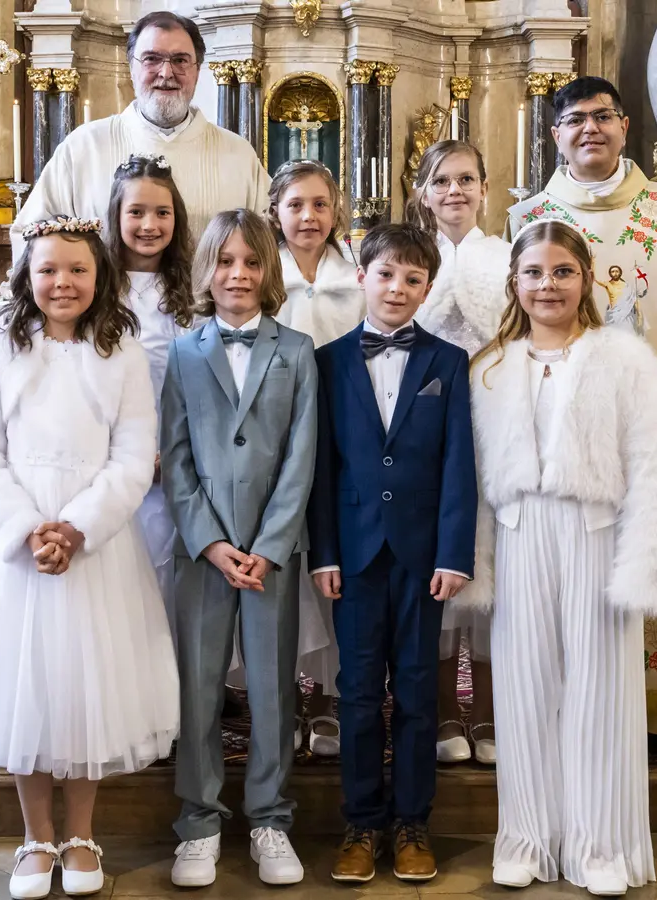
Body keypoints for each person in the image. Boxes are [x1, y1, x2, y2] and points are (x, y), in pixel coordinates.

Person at [0, 217, 179, 900]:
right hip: (17, 538)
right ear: (26, 275)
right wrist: (26, 529)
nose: (62, 283)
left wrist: (77, 528)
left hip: (94, 541)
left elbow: (134, 453)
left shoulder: (120, 346)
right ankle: (36, 832)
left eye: (76, 270)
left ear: (100, 276)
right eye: (48, 270)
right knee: (26, 686)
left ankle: (81, 831)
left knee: (85, 682)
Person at [506, 75, 657, 752]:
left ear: (625, 124)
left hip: (654, 430)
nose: (590, 129)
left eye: (603, 117)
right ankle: (573, 713)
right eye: (575, 119)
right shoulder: (528, 219)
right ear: (554, 134)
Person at [470, 220, 657, 896]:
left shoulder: (625, 361)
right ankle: (527, 837)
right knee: (523, 690)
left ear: (586, 280)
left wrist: (646, 564)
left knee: (599, 692)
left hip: (596, 533)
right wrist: (474, 559)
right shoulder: (490, 366)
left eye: (562, 271)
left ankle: (599, 844)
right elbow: (471, 474)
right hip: (517, 531)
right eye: (533, 272)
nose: (547, 285)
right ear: (514, 282)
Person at [308, 224, 477, 885]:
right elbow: (324, 466)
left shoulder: (448, 363)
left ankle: (412, 824)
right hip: (352, 554)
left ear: (427, 288)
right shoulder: (329, 361)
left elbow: (459, 464)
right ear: (362, 275)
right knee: (355, 694)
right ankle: (360, 823)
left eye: (412, 279)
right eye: (386, 275)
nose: (398, 288)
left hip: (420, 555)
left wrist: (453, 552)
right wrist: (324, 551)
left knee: (414, 693)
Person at [160, 209, 318, 889]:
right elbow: (175, 456)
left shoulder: (298, 350)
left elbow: (302, 455)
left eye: (252, 262)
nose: (239, 274)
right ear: (207, 271)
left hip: (271, 554)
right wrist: (211, 542)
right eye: (225, 262)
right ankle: (198, 821)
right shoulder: (184, 352)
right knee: (198, 687)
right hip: (205, 554)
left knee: (272, 686)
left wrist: (271, 543)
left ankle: (270, 818)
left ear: (269, 271)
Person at [407, 139, 508, 766]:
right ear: (423, 191)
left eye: (466, 179)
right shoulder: (410, 257)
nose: (454, 191)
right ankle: (446, 713)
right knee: (440, 567)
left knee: (495, 571)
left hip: (496, 424)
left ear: (485, 188)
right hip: (429, 430)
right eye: (441, 180)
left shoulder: (505, 255)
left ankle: (494, 714)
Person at [11, 11, 269, 256]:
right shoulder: (84, 147)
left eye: (180, 60)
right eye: (152, 59)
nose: (166, 73)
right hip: (107, 303)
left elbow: (273, 241)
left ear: (197, 71)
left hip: (208, 304)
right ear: (131, 69)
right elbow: (31, 234)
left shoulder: (238, 154)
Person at [270, 158, 364, 757]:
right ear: (275, 212)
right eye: (296, 205)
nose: (308, 216)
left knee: (331, 563)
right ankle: (278, 695)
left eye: (320, 205)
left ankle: (327, 697)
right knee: (281, 566)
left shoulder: (355, 278)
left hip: (342, 438)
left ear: (336, 213)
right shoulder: (260, 273)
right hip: (276, 438)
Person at [104, 154, 198, 621]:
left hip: (173, 449)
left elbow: (197, 381)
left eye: (162, 213)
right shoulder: (97, 286)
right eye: (136, 212)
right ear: (116, 215)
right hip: (109, 447)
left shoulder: (191, 288)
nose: (149, 224)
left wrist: (170, 448)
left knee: (166, 566)